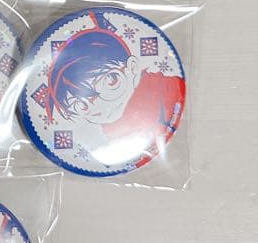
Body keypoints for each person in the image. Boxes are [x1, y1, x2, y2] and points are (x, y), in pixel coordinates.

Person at [46, 11, 185, 162]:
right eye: (81, 105)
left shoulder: (163, 86)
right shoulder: (107, 133)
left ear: (132, 67)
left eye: (111, 80)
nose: (99, 104)